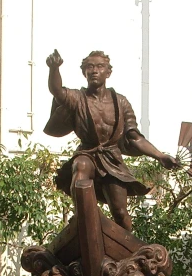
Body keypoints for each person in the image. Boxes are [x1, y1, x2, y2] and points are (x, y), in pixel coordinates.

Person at [44, 49, 178, 231]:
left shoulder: (121, 102)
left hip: (112, 157)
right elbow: (57, 91)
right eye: (89, 67)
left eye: (100, 66)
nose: (94, 71)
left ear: (108, 72)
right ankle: (81, 216)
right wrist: (54, 69)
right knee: (80, 166)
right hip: (88, 152)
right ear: (84, 72)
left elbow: (134, 137)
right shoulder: (78, 98)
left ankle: (129, 249)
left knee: (120, 213)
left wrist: (160, 156)